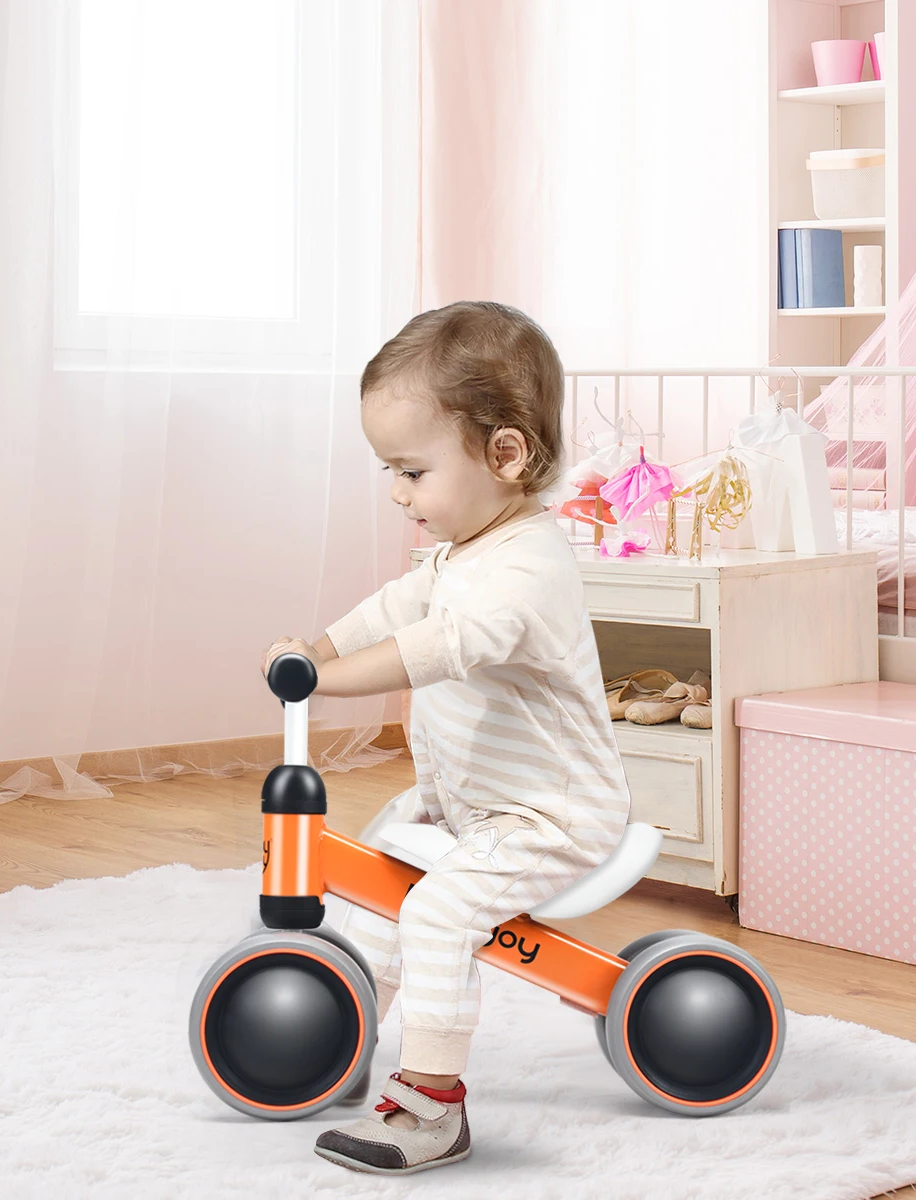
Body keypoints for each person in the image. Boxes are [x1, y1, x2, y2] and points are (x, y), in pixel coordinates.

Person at [261, 301, 631, 1176]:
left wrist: (323, 681)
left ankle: (431, 1109)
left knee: (436, 909)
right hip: (474, 807)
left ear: (505, 455)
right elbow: (396, 609)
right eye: (389, 469)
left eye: (413, 470)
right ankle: (347, 1040)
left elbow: (440, 646)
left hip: (552, 815)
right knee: (383, 878)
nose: (398, 491)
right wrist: (317, 646)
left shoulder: (527, 568)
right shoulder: (459, 551)